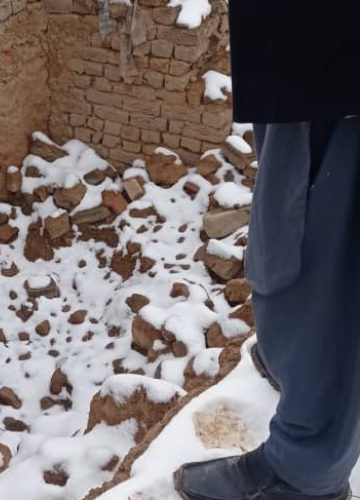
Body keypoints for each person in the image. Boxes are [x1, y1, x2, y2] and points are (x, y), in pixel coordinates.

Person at [175, 1, 360, 499]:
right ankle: (308, 375)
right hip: (306, 53)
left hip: (330, 64)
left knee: (310, 261)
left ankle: (305, 467)